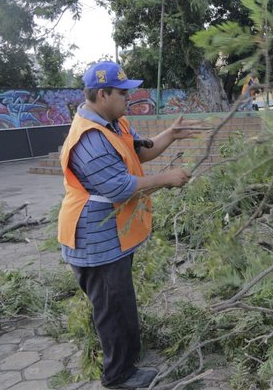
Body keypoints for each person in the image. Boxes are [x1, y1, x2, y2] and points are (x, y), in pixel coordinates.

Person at [57, 61, 203, 389]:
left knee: (120, 300)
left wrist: (171, 134)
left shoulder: (114, 123)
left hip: (112, 237)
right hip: (94, 240)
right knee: (112, 308)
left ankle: (128, 359)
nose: (129, 97)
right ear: (102, 94)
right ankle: (118, 376)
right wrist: (167, 178)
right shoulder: (89, 138)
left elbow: (142, 151)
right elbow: (118, 187)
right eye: (122, 93)